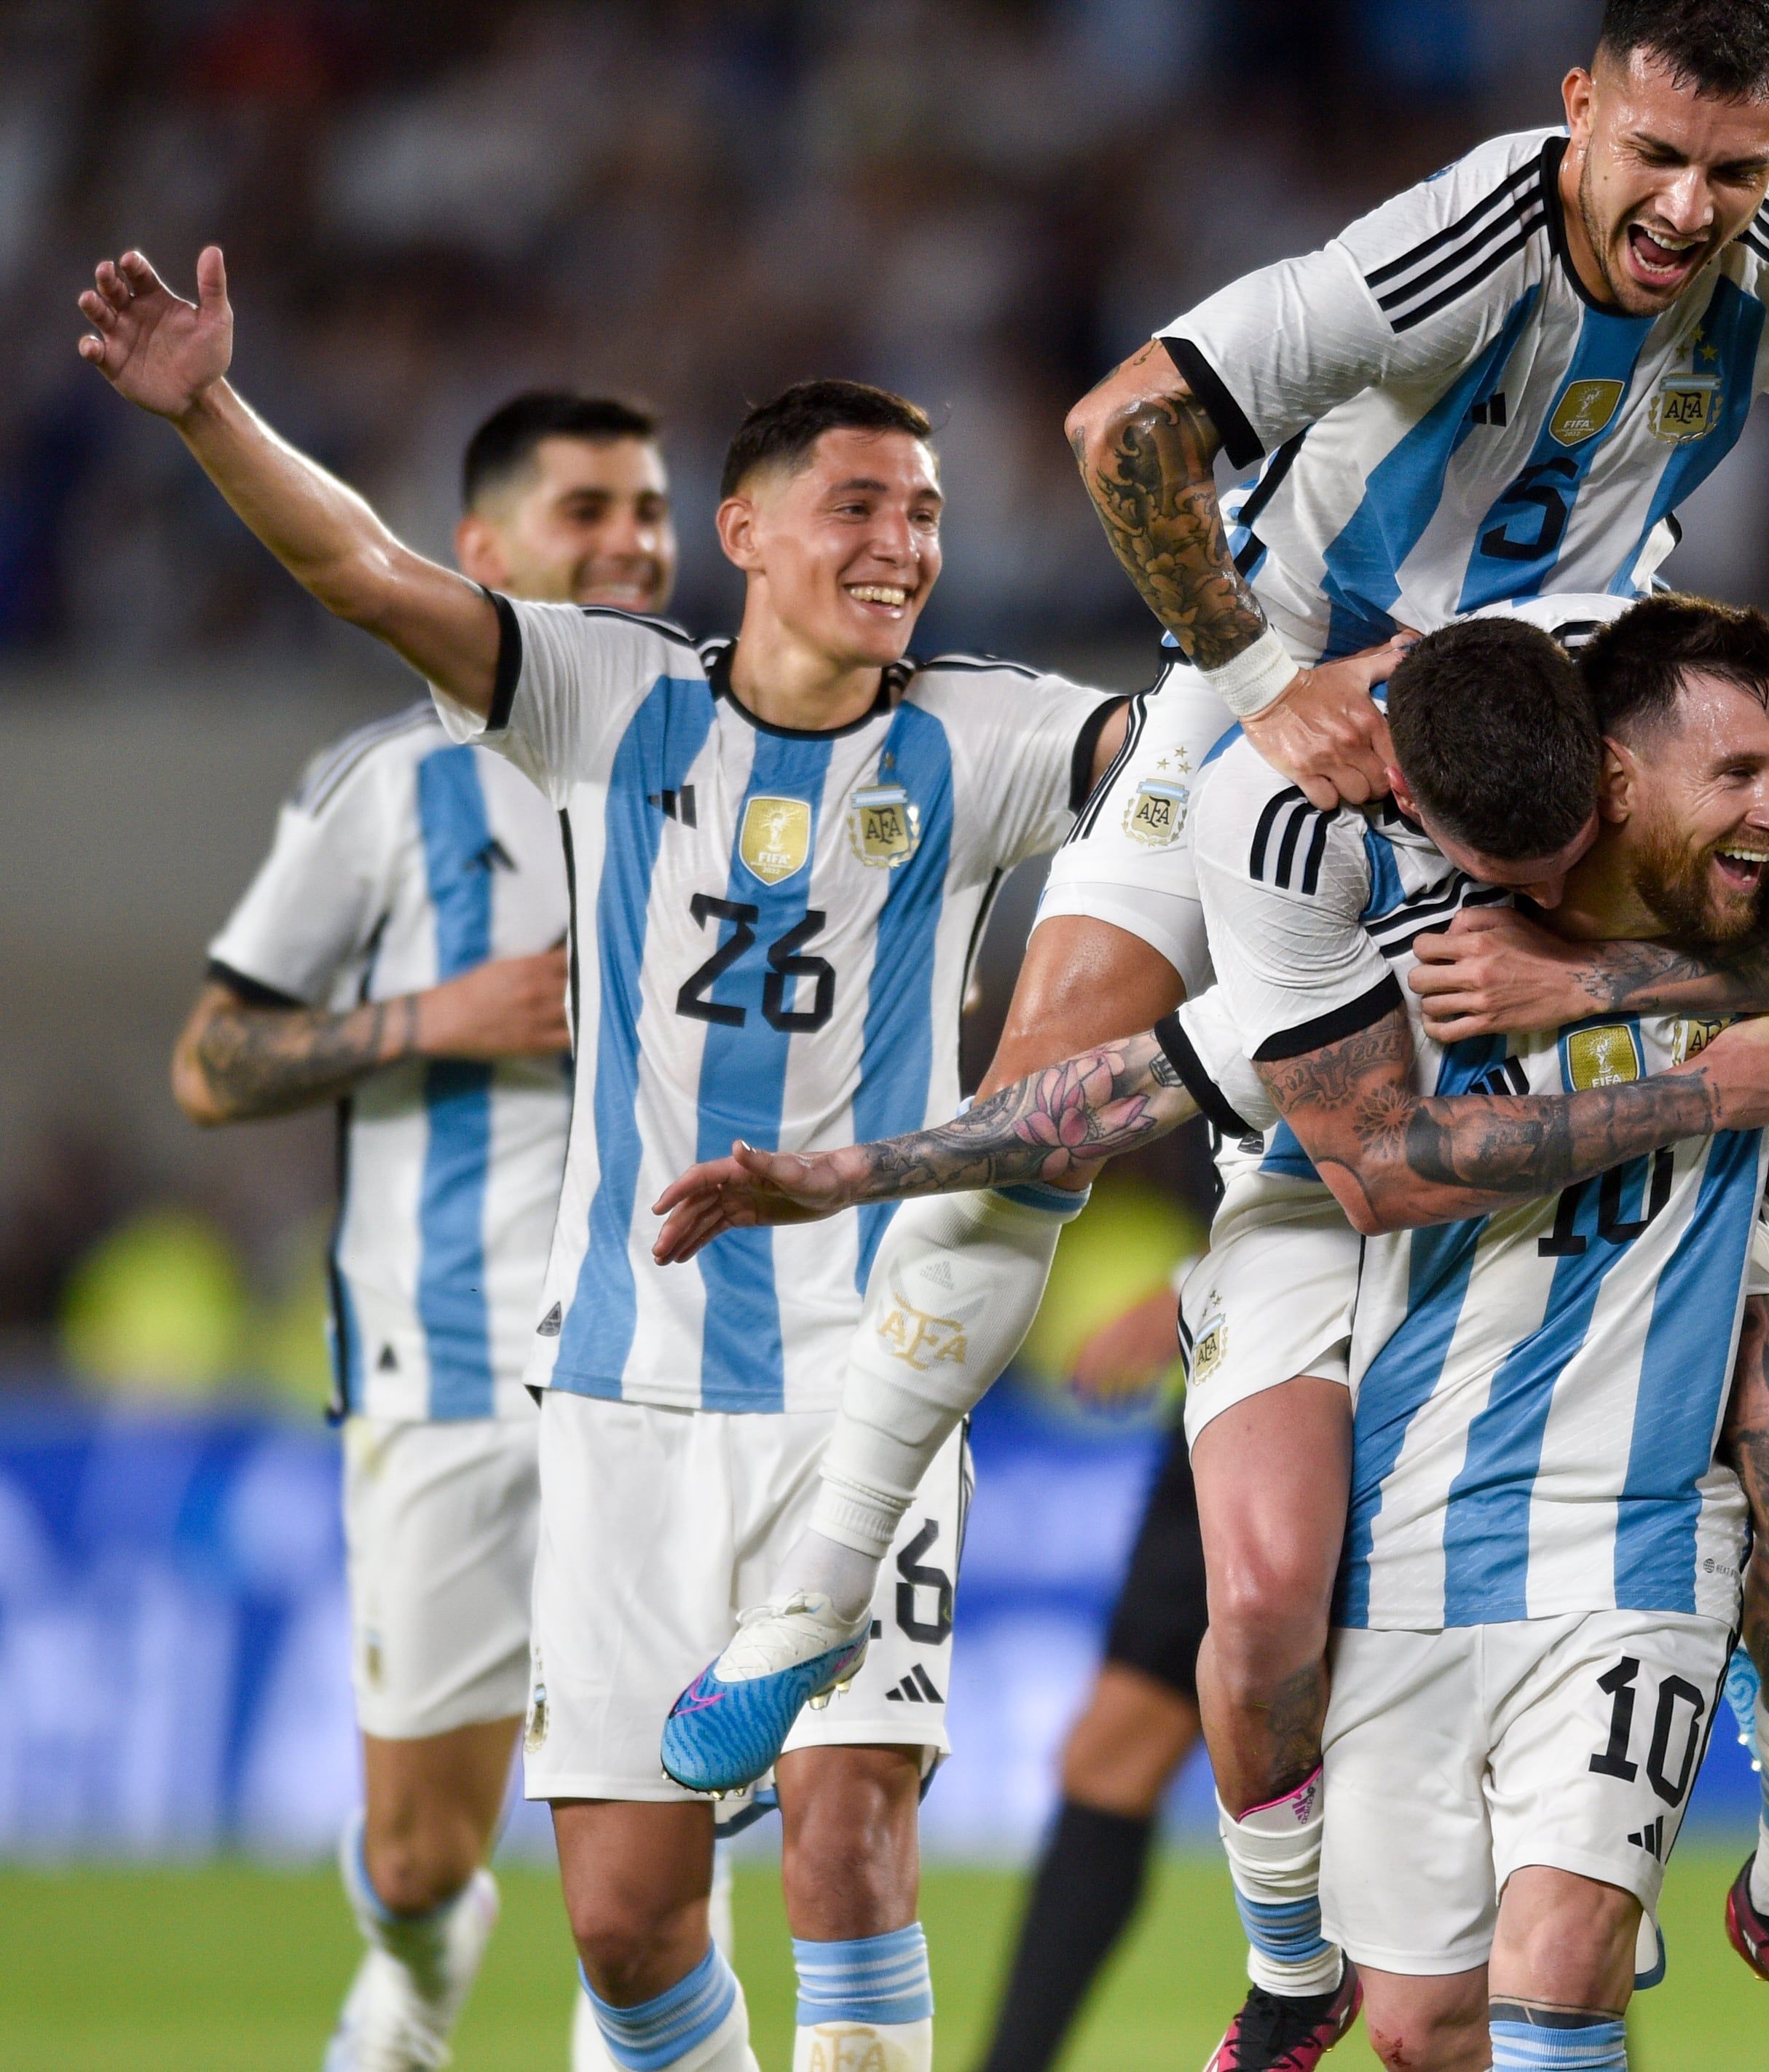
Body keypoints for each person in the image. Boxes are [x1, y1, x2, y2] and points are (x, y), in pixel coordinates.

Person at [744, 4, 1769, 2045]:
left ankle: (1710, 1740)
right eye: (1656, 153)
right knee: (1048, 1063)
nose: (1689, 210)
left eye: (1736, 170)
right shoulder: (1450, 244)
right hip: (1291, 704)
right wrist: (1250, 672)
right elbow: (1119, 424)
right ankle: (818, 1592)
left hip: (1553, 735)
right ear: (1578, 106)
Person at [81, 244, 1133, 2072]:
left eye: (932, 512)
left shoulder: (1000, 731)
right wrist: (209, 414)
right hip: (621, 1391)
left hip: (865, 1384)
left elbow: (1192, 757)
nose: (904, 542)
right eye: (859, 505)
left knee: (846, 1840)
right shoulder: (602, 697)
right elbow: (362, 568)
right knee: (629, 1929)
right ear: (745, 528)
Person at [654, 599, 1769, 2070]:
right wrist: (847, 1167)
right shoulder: (1333, 883)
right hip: (1377, 1335)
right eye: (1741, 781)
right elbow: (1161, 1101)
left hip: (1624, 1497)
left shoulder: (1730, 824)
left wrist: (1614, 992)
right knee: (1288, 1653)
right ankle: (1284, 1966)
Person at [173, 390, 670, 2072]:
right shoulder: (379, 789)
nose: (631, 543)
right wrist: (431, 1017)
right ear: (480, 554)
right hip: (436, 1361)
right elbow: (213, 1059)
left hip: (672, 1364)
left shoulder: (733, 754)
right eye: (587, 509)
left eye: (651, 511)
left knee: (664, 1844)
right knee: (418, 1851)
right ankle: (421, 1948)